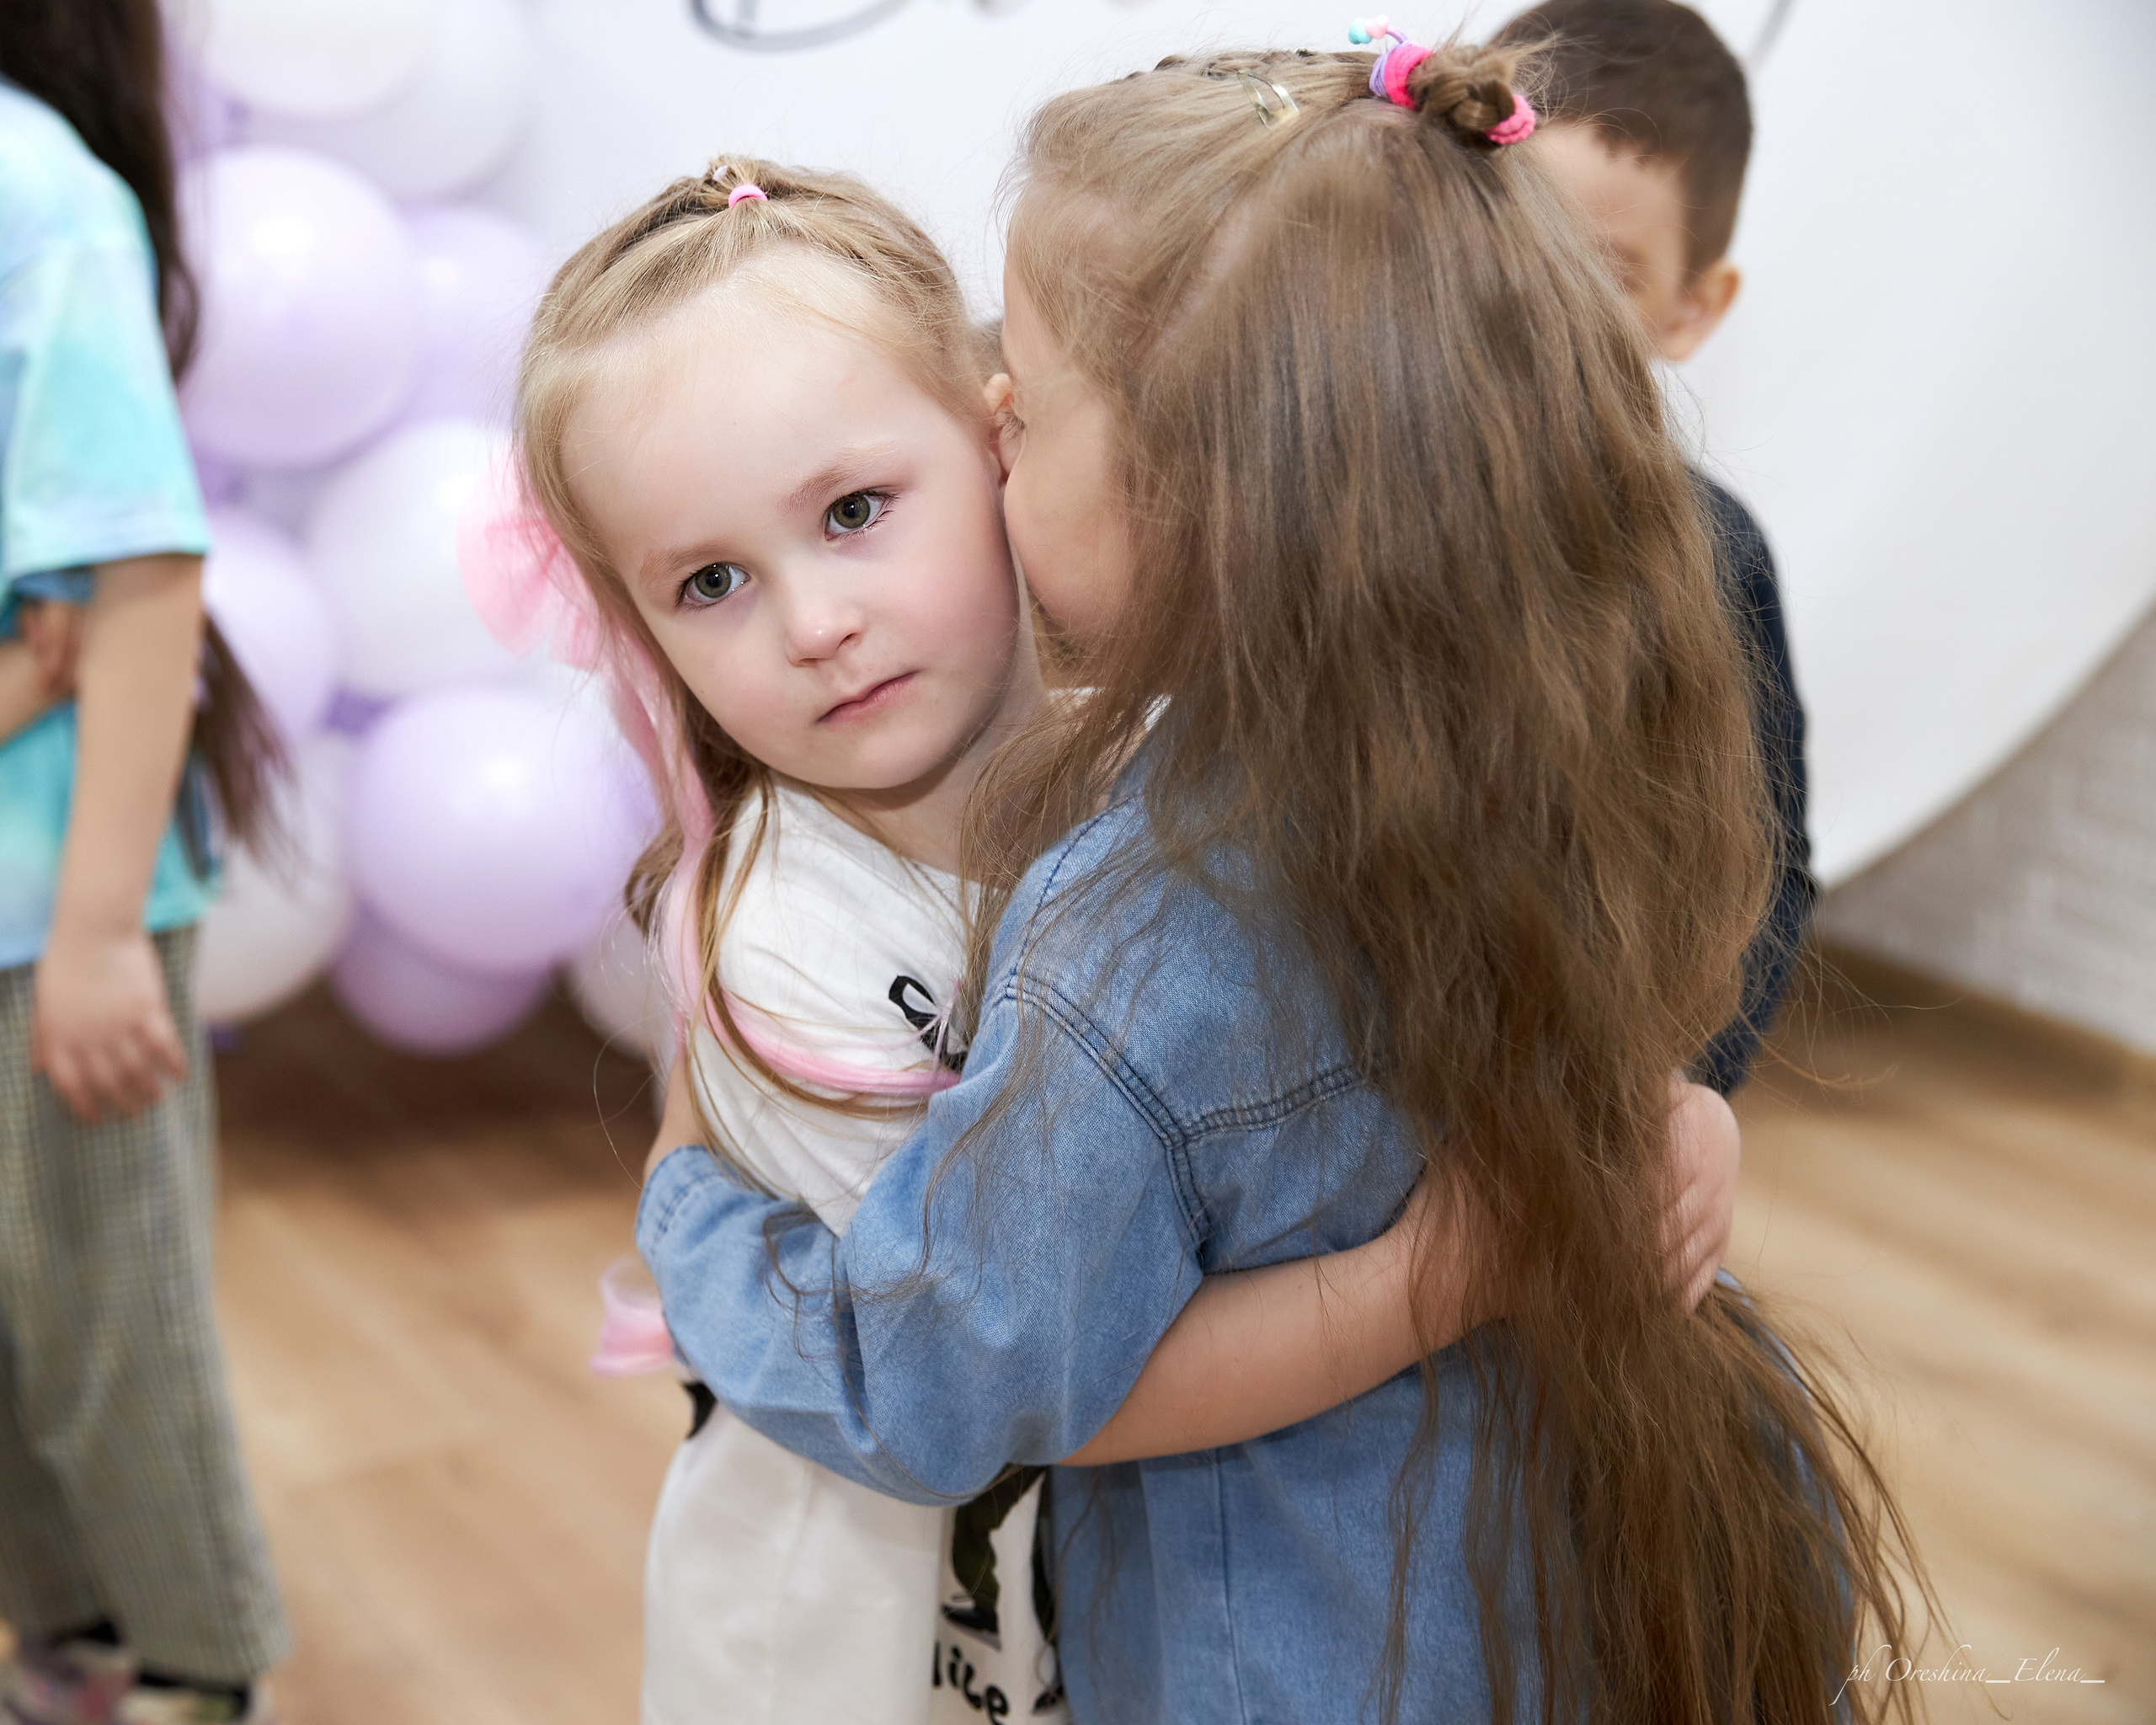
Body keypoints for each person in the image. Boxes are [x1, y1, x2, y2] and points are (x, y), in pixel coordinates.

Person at [628, 35, 1920, 1725]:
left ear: (1202, 486)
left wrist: (692, 1222)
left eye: (1027, 399)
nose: (989, 424)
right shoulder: (1545, 718)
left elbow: (940, 1381)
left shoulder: (1135, 934)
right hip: (1599, 1572)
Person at [0, 5, 289, 1723]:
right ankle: (73, 1642)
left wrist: (101, 933)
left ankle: (187, 1666)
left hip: (52, 915)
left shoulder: (32, 192)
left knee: (108, 1332)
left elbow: (135, 582)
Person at [1497, 0, 1816, 1092]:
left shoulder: (1714, 561)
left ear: (1690, 307)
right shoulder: (1324, 484)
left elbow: (1765, 880)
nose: (1541, 302)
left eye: (1606, 270)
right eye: (1511, 232)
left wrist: (1678, 1100)